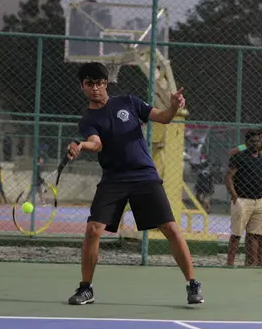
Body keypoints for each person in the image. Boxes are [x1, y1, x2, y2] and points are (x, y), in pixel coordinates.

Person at [65, 62, 204, 306]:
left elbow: (163, 118)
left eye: (99, 83)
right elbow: (96, 143)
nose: (96, 88)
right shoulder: (88, 119)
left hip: (144, 176)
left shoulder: (129, 102)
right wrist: (81, 146)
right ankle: (86, 288)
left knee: (170, 228)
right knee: (92, 229)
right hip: (114, 178)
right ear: (82, 87)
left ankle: (192, 284)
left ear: (105, 84)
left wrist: (172, 106)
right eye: (90, 84)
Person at [225, 130, 262, 266]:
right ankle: (230, 262)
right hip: (242, 200)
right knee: (236, 234)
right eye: (252, 141)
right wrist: (234, 197)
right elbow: (228, 177)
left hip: (261, 201)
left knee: (255, 234)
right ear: (246, 143)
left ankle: (252, 263)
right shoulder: (238, 157)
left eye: (257, 141)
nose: (255, 144)